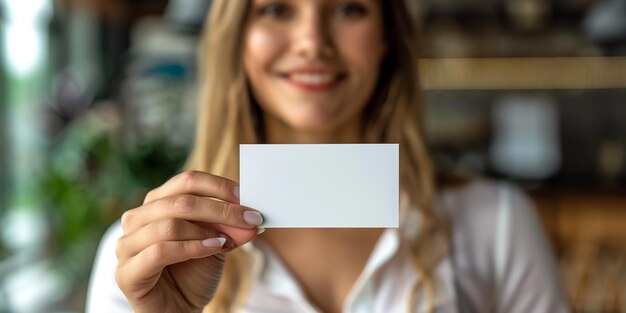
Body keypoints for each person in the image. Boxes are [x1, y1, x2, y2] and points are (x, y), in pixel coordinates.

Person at [86, 0, 571, 312]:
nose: (312, 42)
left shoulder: (498, 222)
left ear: (387, 37)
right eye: (276, 8)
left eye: (348, 8)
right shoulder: (146, 255)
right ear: (237, 40)